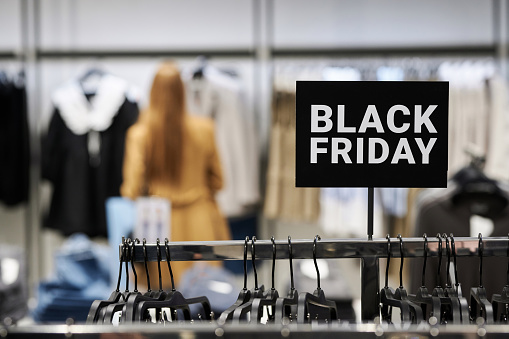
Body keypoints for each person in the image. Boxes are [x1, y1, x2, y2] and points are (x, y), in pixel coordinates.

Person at [121, 61, 231, 286]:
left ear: (152, 91)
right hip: (201, 221)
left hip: (158, 225)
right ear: (183, 91)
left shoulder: (140, 135)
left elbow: (131, 190)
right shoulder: (205, 129)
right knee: (205, 296)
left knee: (161, 299)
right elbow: (219, 182)